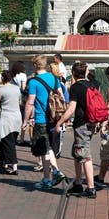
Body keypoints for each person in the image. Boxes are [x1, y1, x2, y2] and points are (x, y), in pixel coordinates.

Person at [54, 61, 98, 198]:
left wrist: (60, 122)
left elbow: (71, 109)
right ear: (85, 73)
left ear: (73, 73)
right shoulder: (92, 85)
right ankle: (78, 183)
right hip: (91, 123)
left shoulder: (76, 87)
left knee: (85, 156)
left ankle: (91, 188)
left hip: (81, 124)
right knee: (77, 153)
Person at [22, 54, 65, 190]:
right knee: (49, 147)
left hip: (41, 119)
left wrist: (25, 120)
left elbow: (30, 102)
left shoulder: (33, 82)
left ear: (35, 65)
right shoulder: (54, 78)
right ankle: (52, 175)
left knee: (43, 149)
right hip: (53, 118)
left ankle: (51, 176)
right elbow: (62, 97)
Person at [0, 70, 22, 175]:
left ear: (2, 79)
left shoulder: (0, 90)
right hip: (17, 117)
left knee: (8, 143)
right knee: (10, 142)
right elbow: (20, 102)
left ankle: (14, 166)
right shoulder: (17, 89)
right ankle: (5, 164)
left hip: (7, 118)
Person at [10, 61, 28, 144]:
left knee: (14, 118)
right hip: (21, 98)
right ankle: (21, 138)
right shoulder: (23, 75)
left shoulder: (12, 75)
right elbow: (23, 88)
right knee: (23, 118)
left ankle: (12, 137)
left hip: (13, 97)